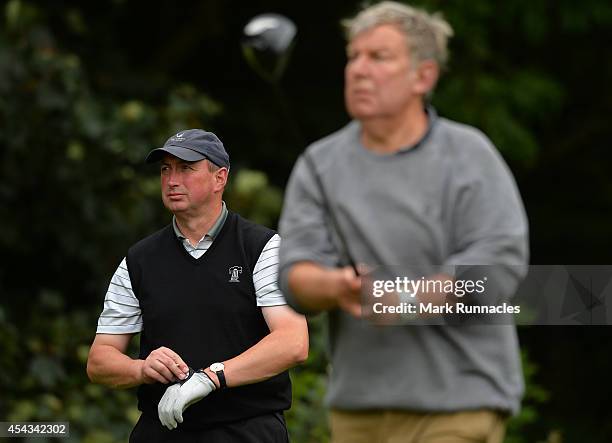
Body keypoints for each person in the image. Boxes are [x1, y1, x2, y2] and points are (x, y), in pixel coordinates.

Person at [278, 2, 528, 443]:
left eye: (379, 57)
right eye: (354, 56)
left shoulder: (469, 156)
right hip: (358, 409)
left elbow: (497, 270)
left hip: (460, 403)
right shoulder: (319, 163)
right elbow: (294, 274)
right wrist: (335, 285)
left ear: (423, 77)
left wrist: (405, 299)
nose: (358, 70)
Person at [87, 129, 308, 443]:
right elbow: (100, 360)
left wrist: (211, 377)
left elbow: (293, 342)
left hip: (246, 430)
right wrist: (141, 370)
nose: (172, 180)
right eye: (166, 170)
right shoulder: (139, 259)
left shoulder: (262, 247)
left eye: (186, 168)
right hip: (163, 429)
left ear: (219, 178)